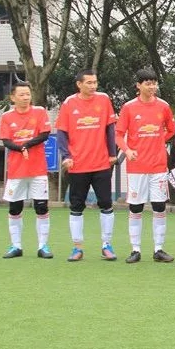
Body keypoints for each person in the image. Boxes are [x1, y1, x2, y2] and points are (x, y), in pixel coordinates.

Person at [56, 69, 118, 262]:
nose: (93, 86)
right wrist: (66, 156)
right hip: (78, 164)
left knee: (106, 204)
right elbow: (61, 132)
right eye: (89, 82)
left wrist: (112, 153)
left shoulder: (104, 99)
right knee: (76, 206)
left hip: (101, 163)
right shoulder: (69, 103)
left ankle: (106, 245)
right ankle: (77, 247)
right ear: (79, 84)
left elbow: (110, 128)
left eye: (95, 82)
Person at [115, 69, 175, 263]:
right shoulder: (129, 107)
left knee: (159, 207)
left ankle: (159, 249)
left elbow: (171, 130)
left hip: (158, 166)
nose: (152, 87)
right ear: (138, 85)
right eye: (148, 83)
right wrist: (127, 150)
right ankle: (135, 250)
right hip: (137, 167)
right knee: (136, 208)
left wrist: (158, 141)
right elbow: (118, 135)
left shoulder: (163, 106)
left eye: (154, 83)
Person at [0, 81, 53, 259]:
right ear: (13, 97)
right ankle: (16, 246)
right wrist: (20, 148)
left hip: (38, 170)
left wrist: (27, 145)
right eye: (21, 95)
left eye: (28, 94)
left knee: (41, 207)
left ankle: (43, 246)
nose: (25, 98)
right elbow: (6, 141)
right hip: (16, 171)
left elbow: (44, 134)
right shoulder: (7, 117)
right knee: (15, 208)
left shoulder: (39, 112)